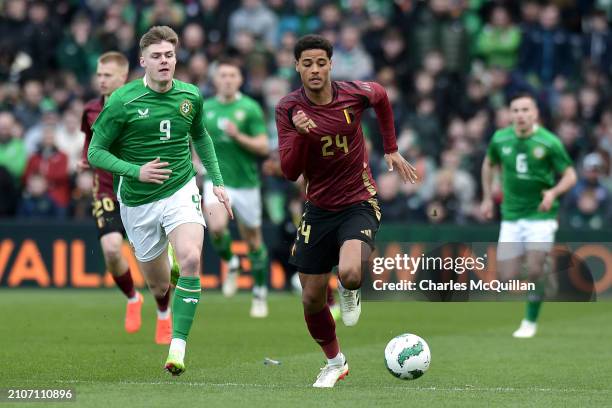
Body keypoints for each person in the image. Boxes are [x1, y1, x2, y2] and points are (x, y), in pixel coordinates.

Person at [88, 26, 232, 376]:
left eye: (169, 55)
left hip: (181, 188)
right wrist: (135, 171)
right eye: (156, 56)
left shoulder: (190, 95)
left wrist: (216, 181)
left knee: (191, 258)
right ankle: (161, 290)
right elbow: (95, 152)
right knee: (159, 284)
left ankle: (178, 346)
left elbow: (201, 135)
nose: (164, 61)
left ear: (175, 58)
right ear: (143, 62)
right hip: (137, 201)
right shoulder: (123, 101)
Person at [275, 34, 417, 388]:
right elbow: (290, 171)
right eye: (307, 64)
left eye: (321, 63)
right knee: (310, 298)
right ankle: (335, 362)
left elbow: (382, 97)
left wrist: (391, 148)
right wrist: (301, 134)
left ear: (330, 65)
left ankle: (350, 290)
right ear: (297, 67)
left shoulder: (354, 93)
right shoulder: (288, 109)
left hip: (358, 200)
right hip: (318, 208)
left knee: (351, 273)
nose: (314, 70)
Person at [80, 51, 178, 344]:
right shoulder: (89, 110)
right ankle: (133, 298)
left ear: (123, 77)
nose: (101, 80)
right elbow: (92, 144)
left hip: (141, 189)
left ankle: (163, 312)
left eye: (107, 75)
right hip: (107, 187)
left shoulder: (138, 102)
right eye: (98, 75)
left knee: (155, 268)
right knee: (111, 249)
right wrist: (84, 160)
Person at [481, 93, 577, 338]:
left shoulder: (549, 142)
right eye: (515, 110)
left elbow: (570, 175)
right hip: (511, 214)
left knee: (533, 270)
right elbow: (489, 164)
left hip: (540, 214)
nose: (520, 115)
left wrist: (553, 193)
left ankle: (530, 321)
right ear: (510, 115)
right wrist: (487, 197)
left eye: (525, 110)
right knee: (508, 276)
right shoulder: (500, 138)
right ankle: (541, 267)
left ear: (535, 113)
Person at [202, 59, 271, 317]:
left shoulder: (249, 108)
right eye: (223, 75)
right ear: (216, 80)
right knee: (216, 227)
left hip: (246, 183)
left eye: (232, 75)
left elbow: (264, 147)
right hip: (217, 180)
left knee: (253, 240)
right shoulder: (206, 108)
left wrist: (237, 136)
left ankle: (260, 293)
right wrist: (196, 161)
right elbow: (194, 140)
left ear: (240, 80)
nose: (228, 79)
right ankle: (231, 262)